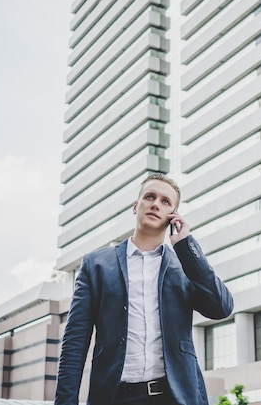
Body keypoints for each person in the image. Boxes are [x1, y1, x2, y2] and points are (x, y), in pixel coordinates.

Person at [54, 173, 234, 405]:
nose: (156, 204)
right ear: (136, 206)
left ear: (173, 216)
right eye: (150, 197)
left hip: (175, 397)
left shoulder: (185, 266)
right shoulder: (96, 265)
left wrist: (187, 247)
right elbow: (75, 343)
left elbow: (221, 308)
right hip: (115, 397)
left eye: (165, 201)